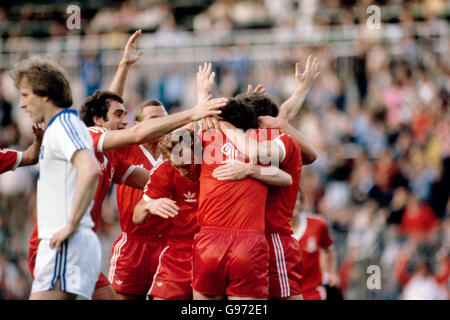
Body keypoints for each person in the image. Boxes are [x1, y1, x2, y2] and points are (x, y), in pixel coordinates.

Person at [12, 56, 102, 300]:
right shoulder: (56, 128)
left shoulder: (65, 124)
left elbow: (91, 168)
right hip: (59, 245)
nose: (21, 104)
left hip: (65, 244)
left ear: (46, 94)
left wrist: (71, 225)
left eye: (25, 95)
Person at [107, 100, 172, 300]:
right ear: (137, 126)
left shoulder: (179, 152)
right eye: (153, 120)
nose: (160, 125)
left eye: (164, 120)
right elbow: (105, 117)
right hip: (133, 245)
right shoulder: (125, 148)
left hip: (169, 245)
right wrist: (124, 67)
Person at [292, 192, 340, 300]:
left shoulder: (317, 224)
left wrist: (331, 272)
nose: (294, 203)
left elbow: (329, 250)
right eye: (290, 198)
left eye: (297, 199)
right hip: (286, 295)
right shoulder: (272, 230)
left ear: (302, 202)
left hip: (313, 293)